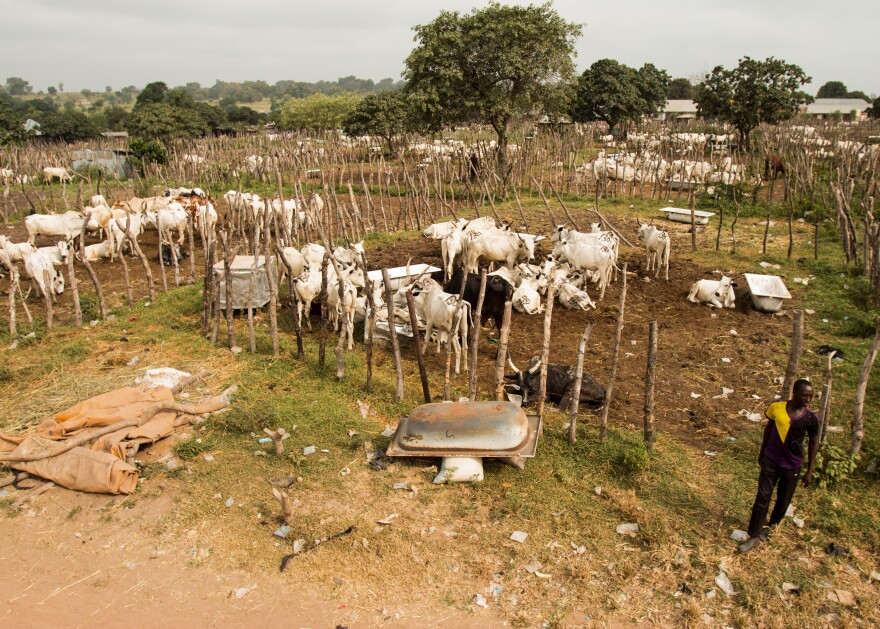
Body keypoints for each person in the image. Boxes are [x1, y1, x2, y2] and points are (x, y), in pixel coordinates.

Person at [739, 378, 819, 553]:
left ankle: (769, 528)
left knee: (783, 500)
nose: (807, 399)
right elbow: (768, 429)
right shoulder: (777, 407)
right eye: (804, 395)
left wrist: (809, 470)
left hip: (792, 465)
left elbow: (814, 442)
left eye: (811, 396)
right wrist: (762, 452)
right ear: (794, 393)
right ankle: (753, 534)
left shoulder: (811, 418)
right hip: (771, 460)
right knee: (762, 497)